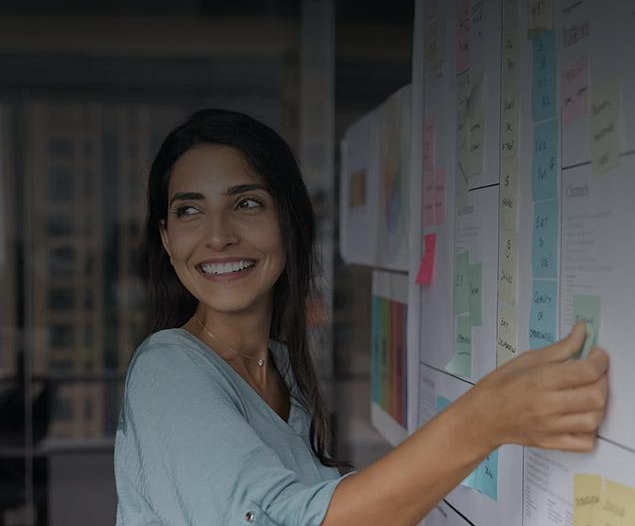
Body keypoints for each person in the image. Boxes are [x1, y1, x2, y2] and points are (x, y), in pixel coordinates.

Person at [114, 109, 609, 526]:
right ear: (165, 237)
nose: (218, 236)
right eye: (188, 211)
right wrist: (483, 421)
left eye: (246, 203)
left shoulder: (282, 370)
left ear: (289, 221)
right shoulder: (168, 370)